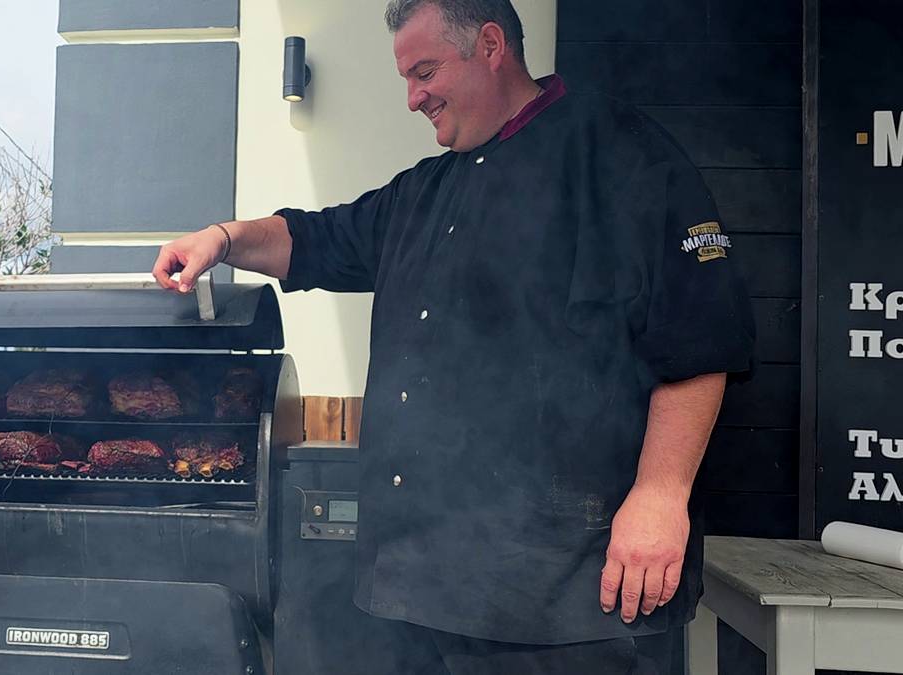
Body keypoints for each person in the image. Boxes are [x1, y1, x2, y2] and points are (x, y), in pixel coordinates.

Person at [153, 1, 755, 672]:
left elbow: (699, 336)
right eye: (407, 79)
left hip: (568, 598)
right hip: (423, 593)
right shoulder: (423, 192)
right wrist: (224, 239)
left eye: (425, 72)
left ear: (490, 46)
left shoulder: (618, 152)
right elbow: (312, 239)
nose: (413, 98)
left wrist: (661, 495)